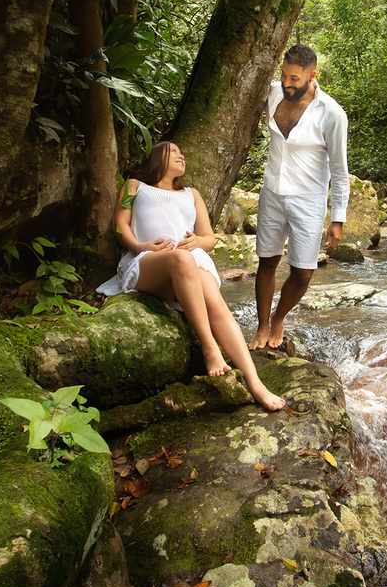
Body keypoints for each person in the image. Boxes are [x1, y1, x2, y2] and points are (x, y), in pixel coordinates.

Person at [96, 142, 285, 412]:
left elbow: (209, 239)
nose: (181, 154)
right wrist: (140, 246)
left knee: (216, 302)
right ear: (156, 158)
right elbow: (120, 225)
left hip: (191, 260)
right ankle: (211, 349)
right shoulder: (134, 186)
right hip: (149, 262)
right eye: (173, 151)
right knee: (180, 258)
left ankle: (255, 383)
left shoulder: (191, 194)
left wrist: (197, 240)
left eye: (181, 152)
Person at [248, 44, 349, 351]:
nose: (287, 83)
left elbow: (339, 169)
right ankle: (263, 324)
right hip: (272, 193)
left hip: (309, 199)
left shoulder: (331, 113)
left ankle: (279, 317)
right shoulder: (273, 93)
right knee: (266, 262)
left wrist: (337, 218)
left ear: (312, 75)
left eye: (294, 78)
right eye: (283, 75)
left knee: (303, 273)